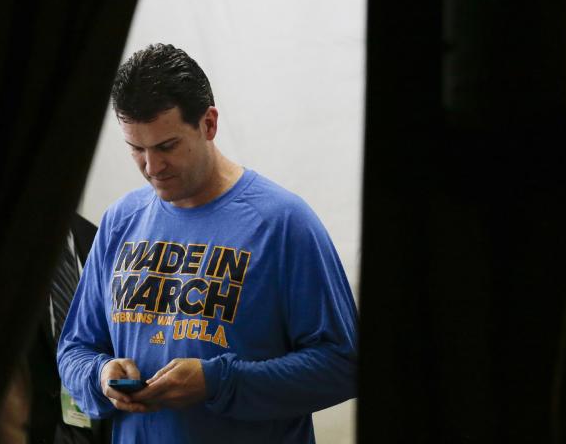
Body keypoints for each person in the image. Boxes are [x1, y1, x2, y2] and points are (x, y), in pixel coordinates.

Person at [57, 44, 358, 443]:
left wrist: (219, 381)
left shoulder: (283, 223)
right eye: (136, 149)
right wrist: (101, 377)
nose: (152, 167)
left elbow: (342, 365)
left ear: (209, 124)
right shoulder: (120, 221)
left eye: (166, 146)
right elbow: (74, 349)